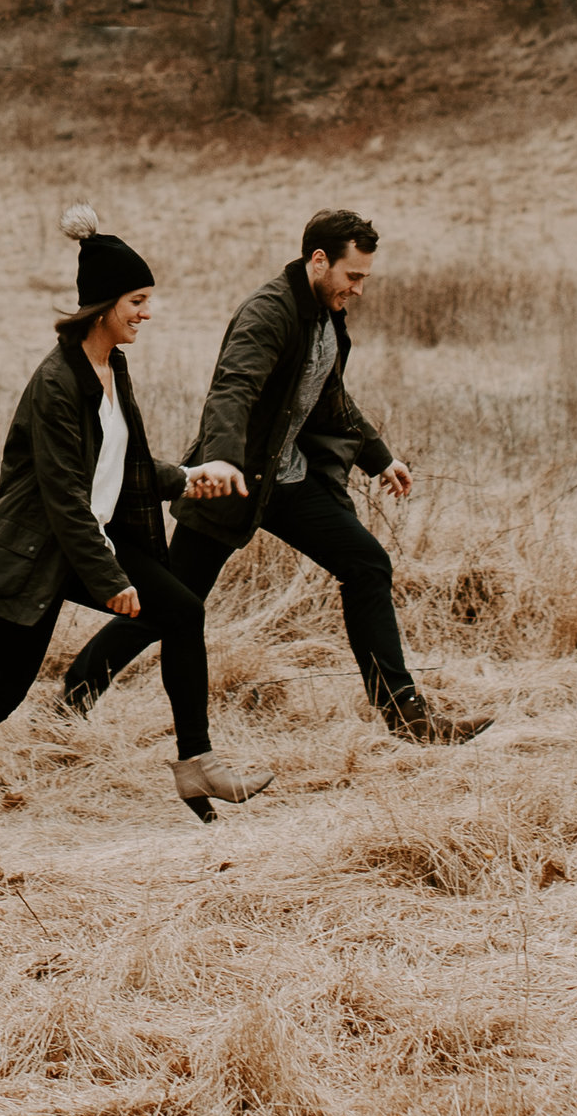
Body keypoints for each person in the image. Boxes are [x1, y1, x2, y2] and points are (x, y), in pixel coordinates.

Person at [64, 206, 488, 745]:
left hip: (289, 482)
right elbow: (232, 389)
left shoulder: (326, 312)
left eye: (364, 278)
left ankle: (407, 714)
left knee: (366, 565)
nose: (358, 289)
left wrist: (378, 456)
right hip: (233, 482)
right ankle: (75, 693)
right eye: (352, 276)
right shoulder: (269, 312)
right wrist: (218, 462)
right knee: (170, 606)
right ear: (318, 261)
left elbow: (327, 393)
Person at [0, 208, 270, 820]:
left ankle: (196, 764)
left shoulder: (111, 368)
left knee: (182, 611)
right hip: (41, 552)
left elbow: (122, 468)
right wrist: (112, 581)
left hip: (87, 539)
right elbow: (65, 497)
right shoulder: (57, 383)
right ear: (102, 306)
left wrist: (189, 478)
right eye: (137, 301)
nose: (146, 314)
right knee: (6, 686)